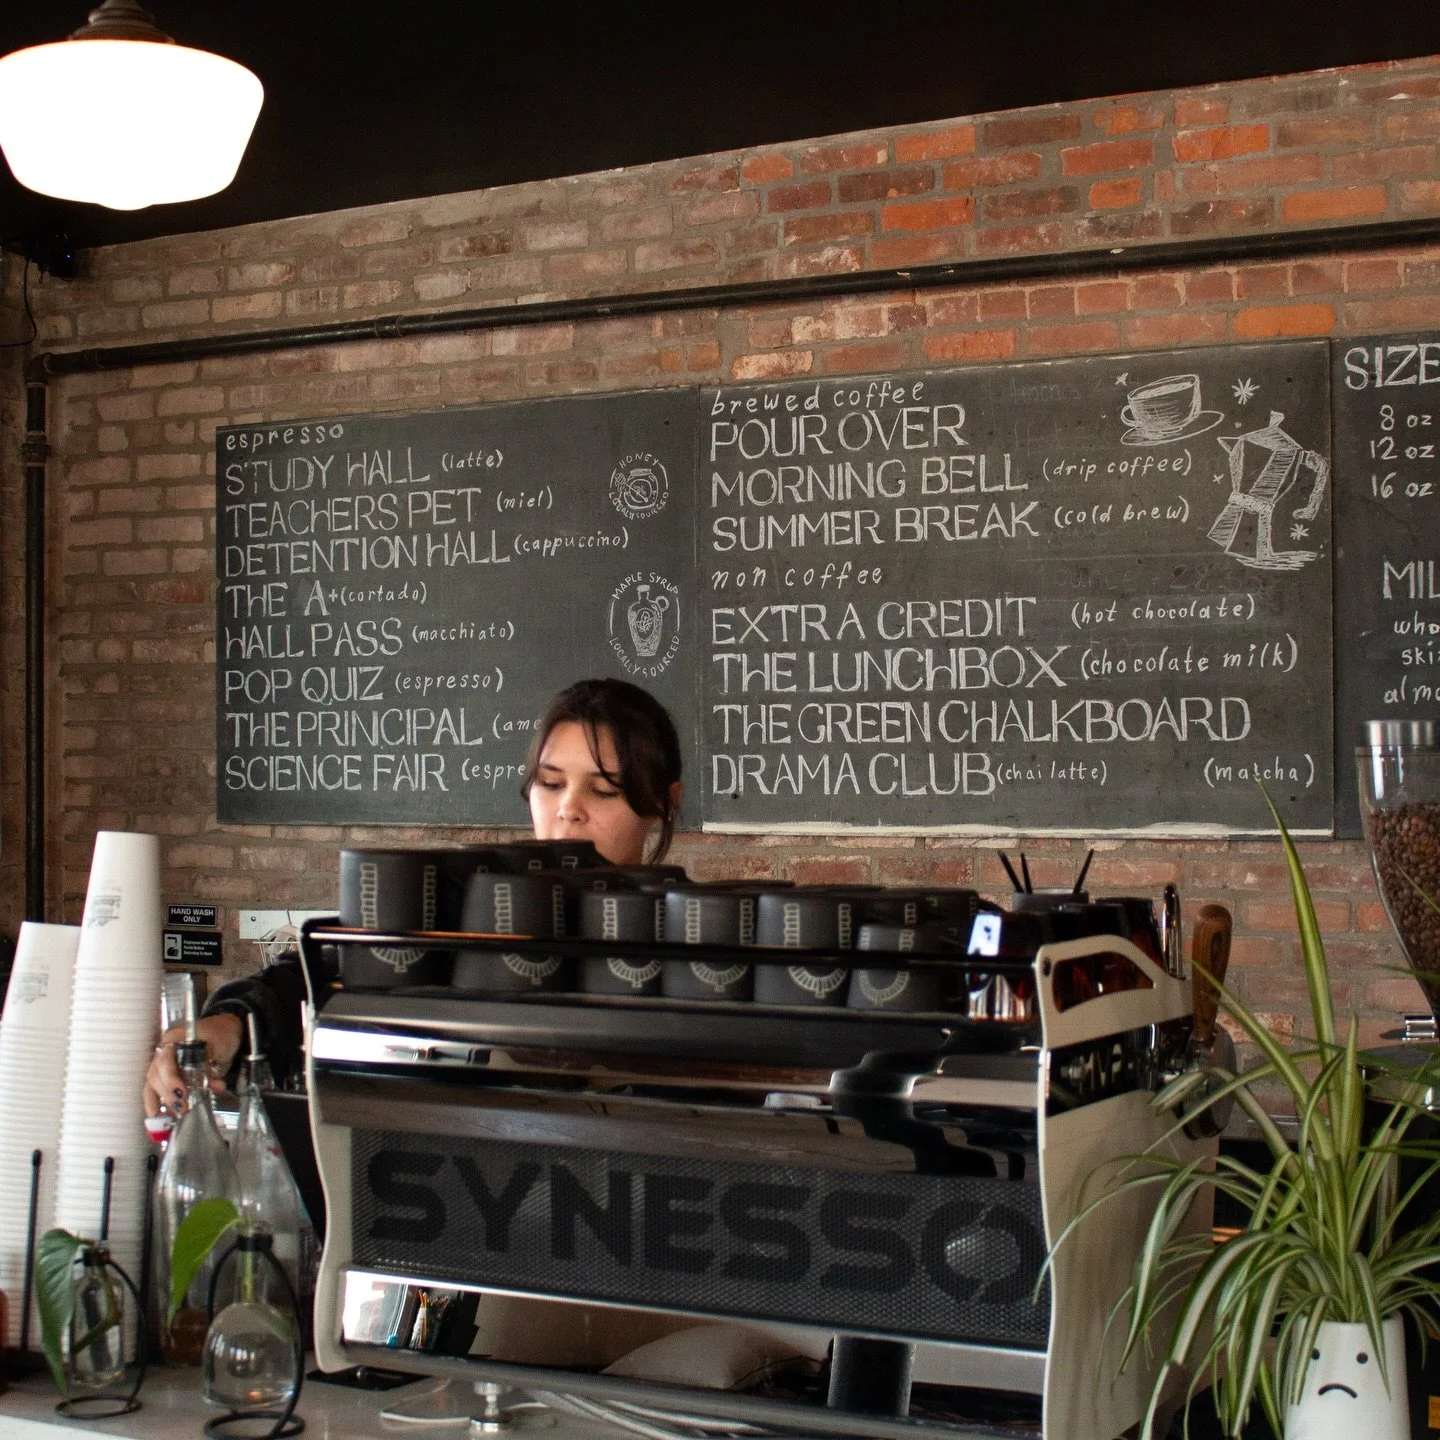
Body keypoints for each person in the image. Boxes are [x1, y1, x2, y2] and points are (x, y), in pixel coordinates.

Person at [143, 678, 683, 1121]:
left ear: (662, 801)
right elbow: (311, 976)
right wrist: (229, 1024)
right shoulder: (459, 909)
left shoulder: (700, 938)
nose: (569, 809)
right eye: (550, 783)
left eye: (603, 789)